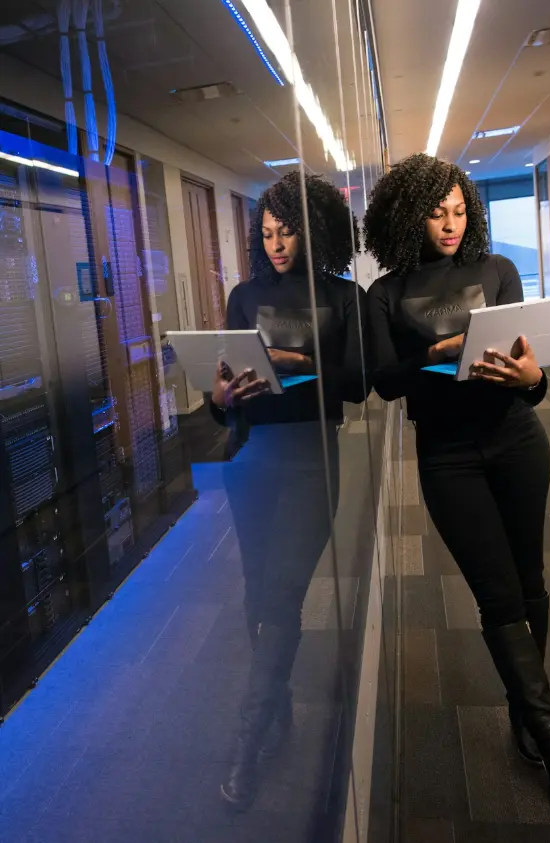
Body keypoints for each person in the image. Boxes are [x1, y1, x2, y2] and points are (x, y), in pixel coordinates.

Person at [363, 153, 550, 823]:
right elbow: (384, 379)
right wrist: (435, 354)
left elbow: (532, 371)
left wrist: (532, 379)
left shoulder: (498, 271)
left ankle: (526, 710)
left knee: (530, 581)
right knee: (497, 597)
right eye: (437, 213)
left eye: (461, 211)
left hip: (518, 439)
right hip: (448, 455)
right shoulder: (387, 294)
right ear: (409, 216)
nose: (452, 224)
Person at [209, 171, 367, 811]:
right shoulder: (243, 296)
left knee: (281, 595)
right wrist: (220, 398)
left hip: (311, 462)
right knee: (258, 598)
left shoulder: (342, 296)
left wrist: (298, 364)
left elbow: (357, 385)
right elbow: (222, 400)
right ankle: (278, 711)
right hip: (252, 459)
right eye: (268, 233)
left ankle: (249, 743)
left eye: (287, 231)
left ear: (313, 229)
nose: (277, 244)